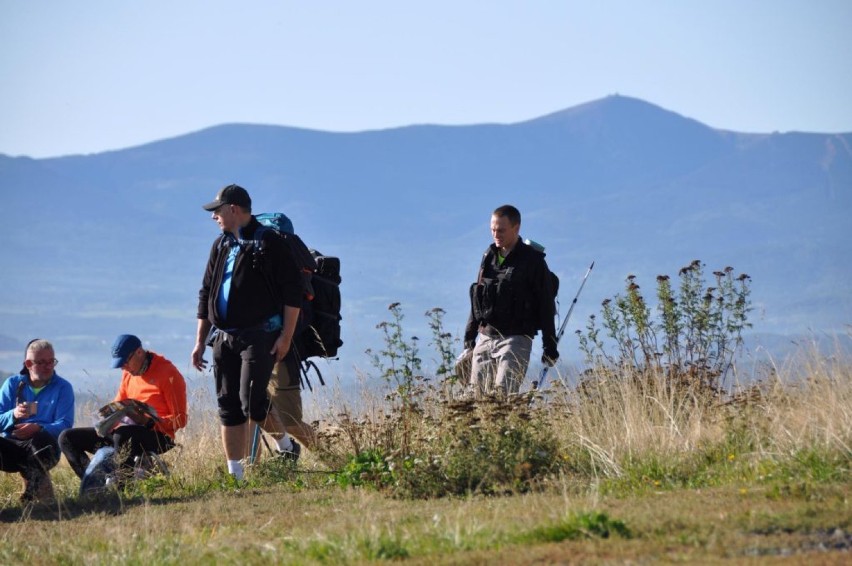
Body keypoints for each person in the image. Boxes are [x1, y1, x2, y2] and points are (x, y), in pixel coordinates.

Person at [191, 184, 304, 480]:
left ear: (234, 209)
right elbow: (205, 294)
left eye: (217, 210)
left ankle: (286, 446)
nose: (214, 216)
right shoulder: (221, 245)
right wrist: (200, 341)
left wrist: (286, 337)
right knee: (228, 405)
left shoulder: (269, 243)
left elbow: (294, 294)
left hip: (260, 334)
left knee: (251, 400)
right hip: (223, 336)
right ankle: (235, 477)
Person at [59, 334, 188, 484]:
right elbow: (119, 403)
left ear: (139, 352)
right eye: (120, 365)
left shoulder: (168, 373)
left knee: (123, 434)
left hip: (157, 436)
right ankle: (94, 483)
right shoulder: (128, 373)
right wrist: (107, 420)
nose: (123, 367)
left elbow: (180, 419)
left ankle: (123, 486)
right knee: (67, 438)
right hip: (122, 434)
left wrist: (148, 421)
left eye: (125, 362)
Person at [462, 205, 559, 396]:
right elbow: (477, 299)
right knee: (475, 401)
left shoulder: (533, 261)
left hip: (516, 339)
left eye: (501, 230)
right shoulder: (488, 256)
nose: (496, 235)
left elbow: (546, 303)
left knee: (503, 398)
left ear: (516, 228)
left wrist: (550, 345)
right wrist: (469, 338)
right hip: (486, 337)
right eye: (492, 229)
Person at [0, 339, 74, 503]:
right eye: (41, 362)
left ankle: (30, 493)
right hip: (13, 446)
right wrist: (13, 414)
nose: (48, 367)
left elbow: (65, 424)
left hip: (44, 448)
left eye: (51, 361)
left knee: (41, 439)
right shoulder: (12, 384)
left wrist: (38, 427)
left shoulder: (63, 387)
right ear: (28, 363)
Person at [259, 354, 318, 457]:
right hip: (247, 353)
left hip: (280, 357)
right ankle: (250, 470)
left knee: (290, 422)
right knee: (247, 418)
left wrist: (285, 341)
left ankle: (335, 460)